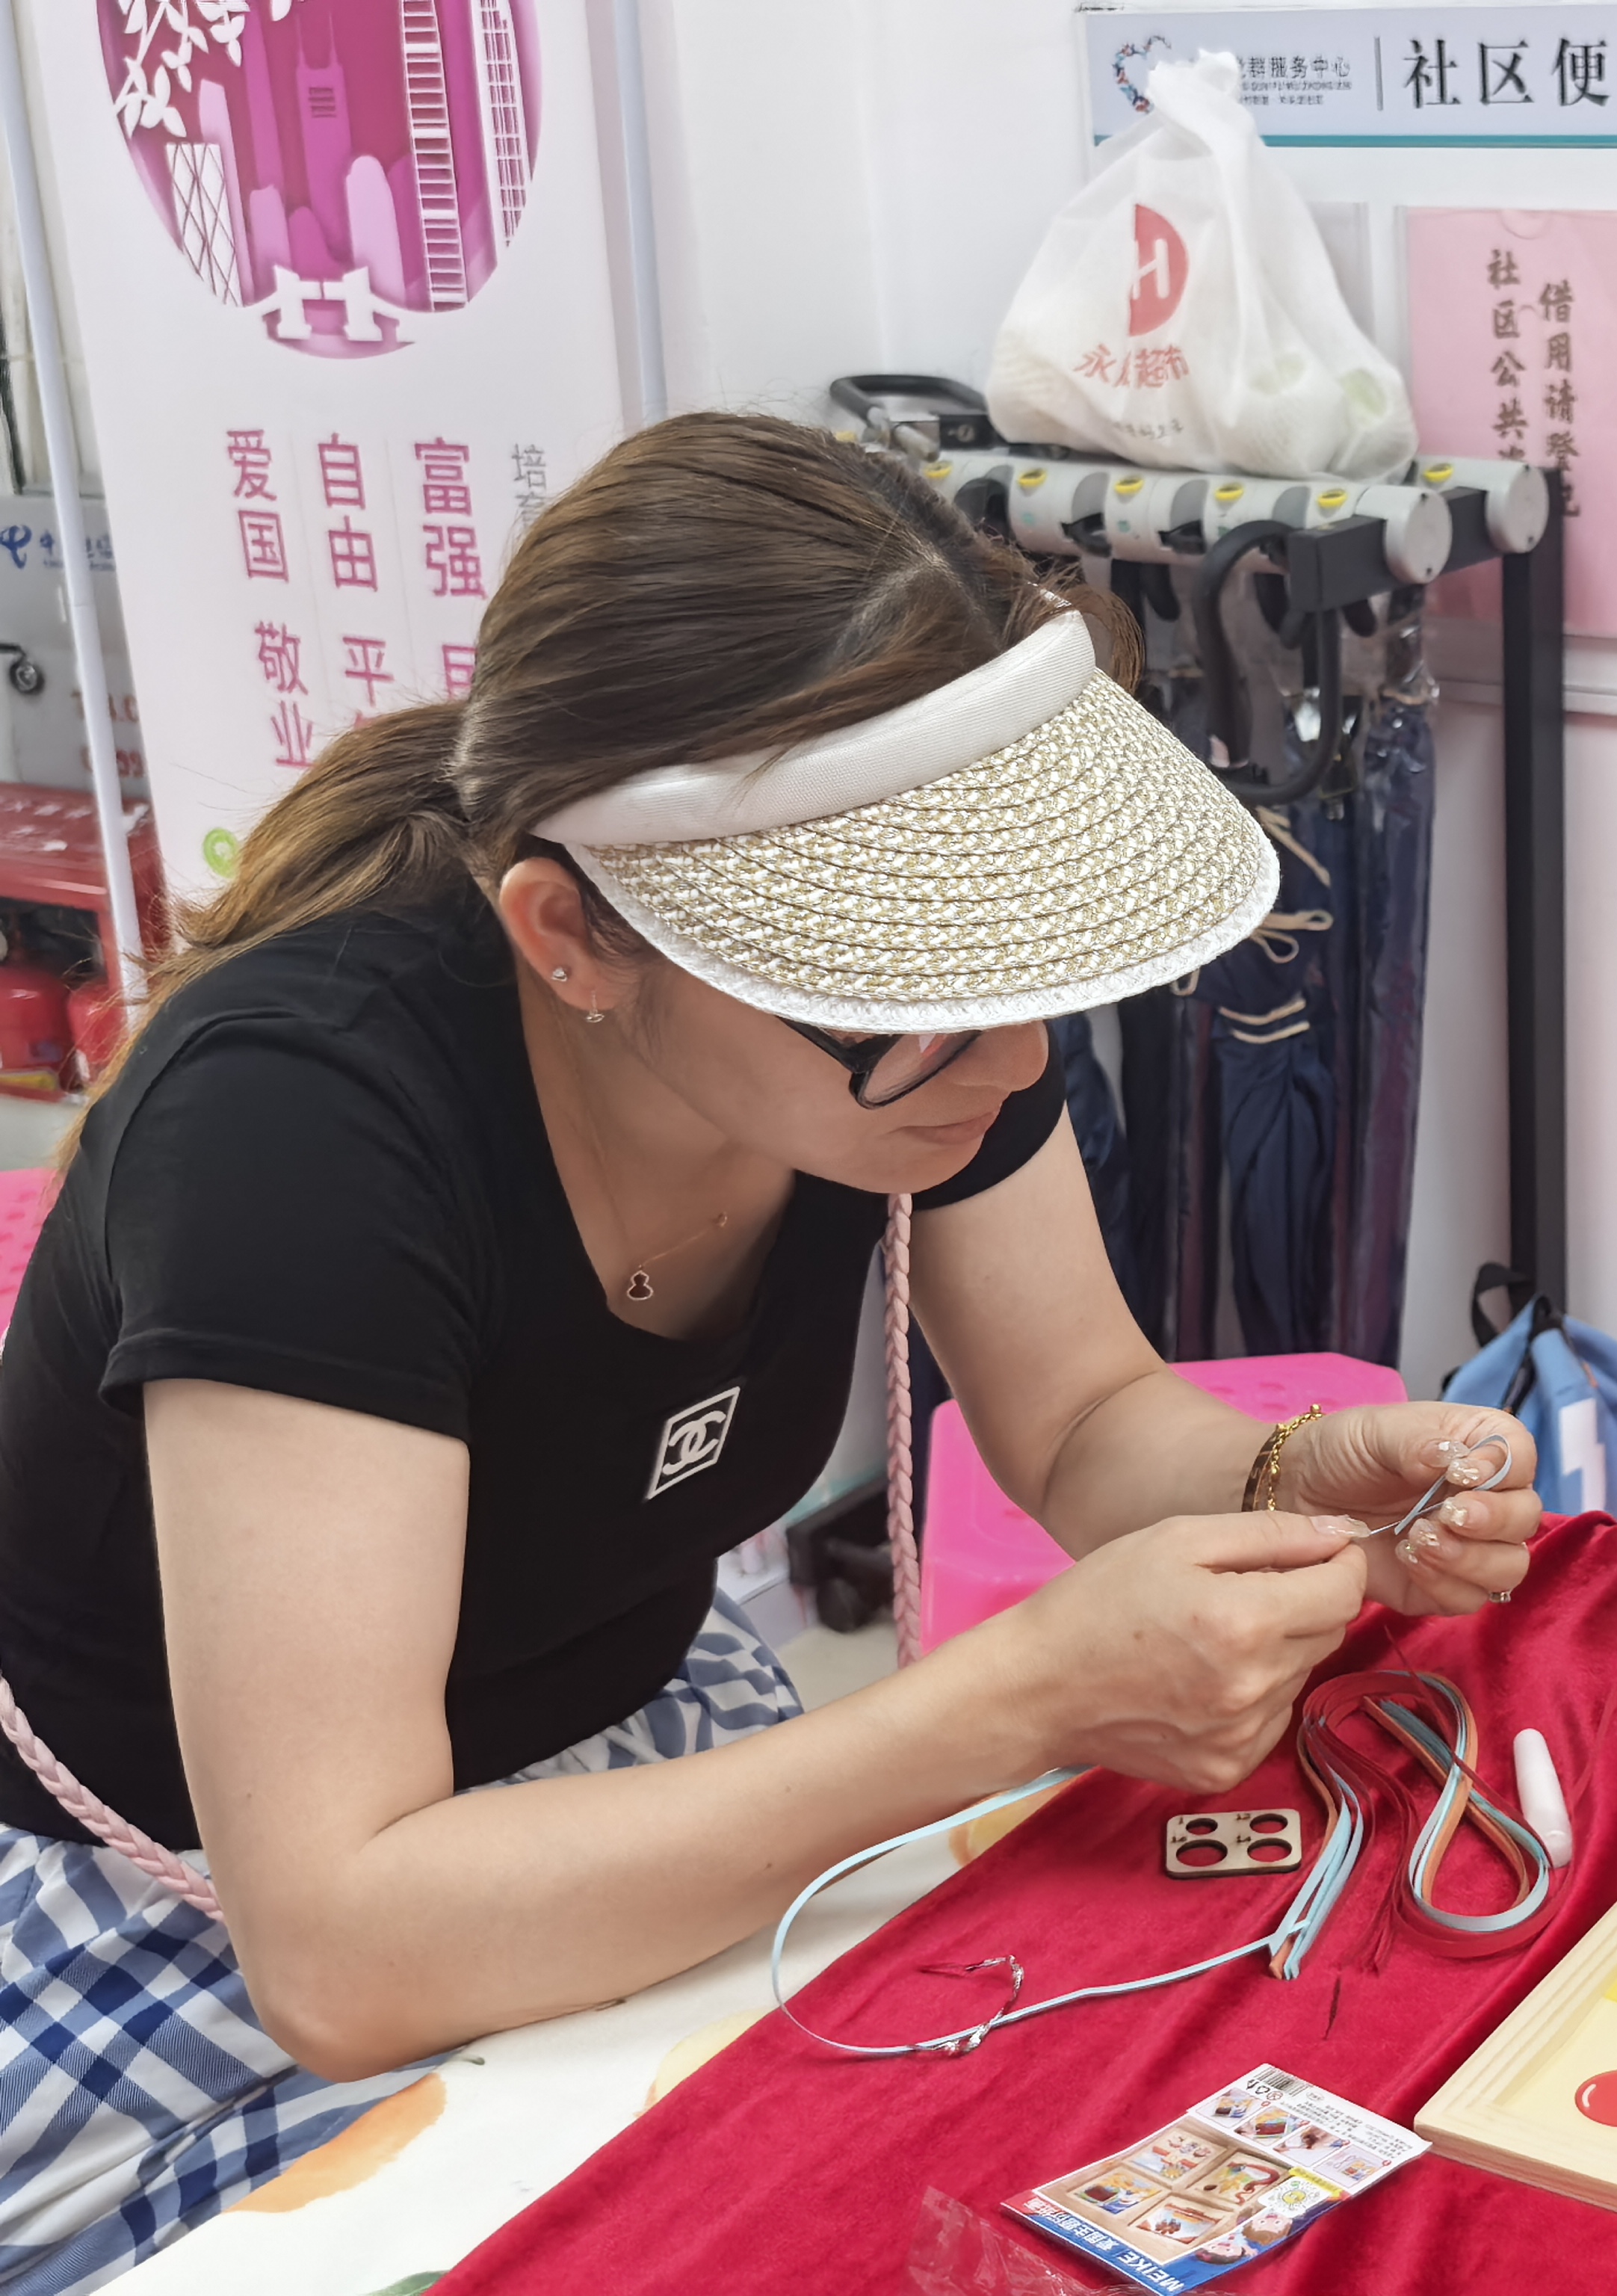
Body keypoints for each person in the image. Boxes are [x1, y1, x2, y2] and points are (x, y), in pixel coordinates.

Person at [0, 414, 1534, 2292]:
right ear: (571, 937)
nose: (1012, 1064)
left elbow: (1080, 1416)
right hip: (182, 1918)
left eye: (1015, 980)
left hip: (640, 1766)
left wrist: (1285, 1477)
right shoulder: (300, 1127)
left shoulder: (916, 1053)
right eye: (895, 991)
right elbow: (341, 1949)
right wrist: (1013, 1705)